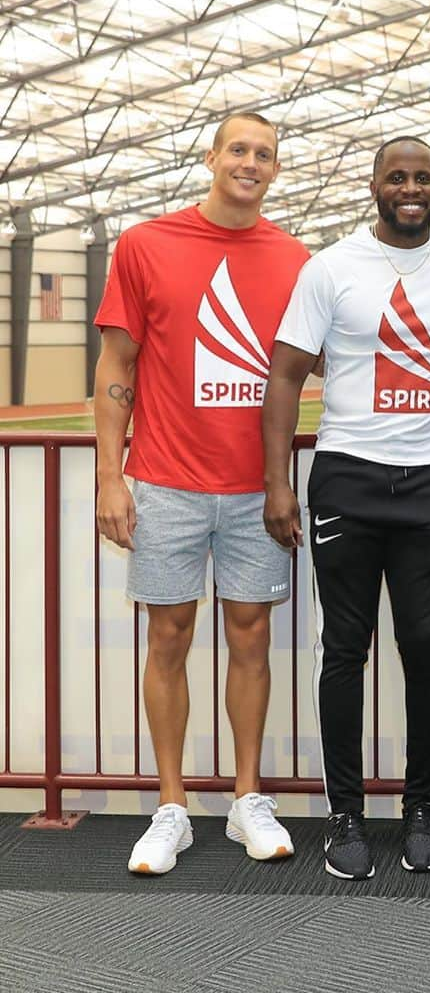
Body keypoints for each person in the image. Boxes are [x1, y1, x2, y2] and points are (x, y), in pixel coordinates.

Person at [263, 136, 430, 880]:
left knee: (427, 651)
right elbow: (286, 376)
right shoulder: (329, 268)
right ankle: (346, 816)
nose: (411, 187)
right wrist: (277, 483)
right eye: (397, 176)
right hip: (347, 482)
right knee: (344, 652)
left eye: (423, 176)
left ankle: (421, 810)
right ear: (375, 185)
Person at [94, 111, 309, 875]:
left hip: (258, 491)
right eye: (239, 150)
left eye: (265, 155)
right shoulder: (147, 244)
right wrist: (108, 475)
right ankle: (172, 807)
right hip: (165, 485)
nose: (251, 163)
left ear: (275, 171)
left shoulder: (295, 259)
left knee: (251, 638)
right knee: (169, 640)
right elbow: (117, 365)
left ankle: (248, 801)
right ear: (213, 157)